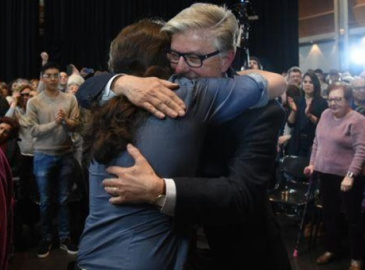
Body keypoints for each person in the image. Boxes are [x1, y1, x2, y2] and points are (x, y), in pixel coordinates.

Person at [76, 3, 291, 270]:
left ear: (227, 59)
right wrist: (123, 82)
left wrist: (159, 190)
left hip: (239, 253)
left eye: (193, 59)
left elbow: (241, 194)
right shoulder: (158, 93)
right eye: (174, 56)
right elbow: (86, 91)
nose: (179, 68)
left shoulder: (261, 110)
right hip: (175, 251)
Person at [304, 84, 365, 270]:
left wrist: (350, 175)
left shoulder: (357, 120)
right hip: (326, 174)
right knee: (330, 214)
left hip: (349, 177)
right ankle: (332, 248)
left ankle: (357, 258)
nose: (333, 103)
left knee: (353, 218)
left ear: (348, 100)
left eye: (338, 99)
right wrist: (312, 163)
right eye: (330, 99)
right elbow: (317, 142)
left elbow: (362, 151)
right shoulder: (325, 115)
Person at [24, 62, 80, 258]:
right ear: (42, 77)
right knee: (46, 200)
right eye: (48, 75)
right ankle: (46, 238)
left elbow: (75, 126)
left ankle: (64, 237)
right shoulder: (34, 102)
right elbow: (33, 130)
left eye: (56, 75)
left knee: (64, 199)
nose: (53, 79)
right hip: (43, 155)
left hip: (65, 154)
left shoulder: (70, 99)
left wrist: (65, 121)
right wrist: (54, 123)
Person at [286, 71, 327, 157]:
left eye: (311, 82)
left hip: (313, 142)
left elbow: (323, 124)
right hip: (296, 141)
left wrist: (309, 116)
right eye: (305, 82)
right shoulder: (297, 100)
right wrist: (294, 110)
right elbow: (290, 123)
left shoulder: (322, 102)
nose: (307, 85)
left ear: (315, 84)